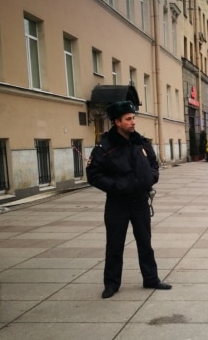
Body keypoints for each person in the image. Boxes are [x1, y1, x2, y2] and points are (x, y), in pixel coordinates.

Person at [86, 100, 171, 299]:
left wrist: (150, 178)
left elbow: (153, 165)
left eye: (133, 118)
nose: (133, 122)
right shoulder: (105, 146)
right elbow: (93, 174)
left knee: (145, 242)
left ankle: (151, 279)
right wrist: (117, 186)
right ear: (117, 122)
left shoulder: (141, 142)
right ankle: (111, 284)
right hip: (117, 203)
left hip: (140, 201)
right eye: (128, 119)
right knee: (114, 244)